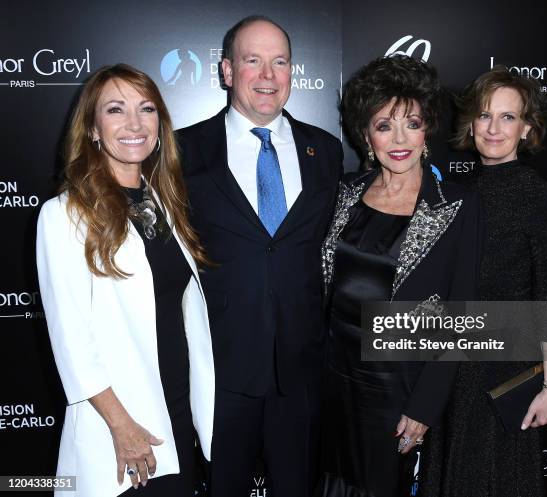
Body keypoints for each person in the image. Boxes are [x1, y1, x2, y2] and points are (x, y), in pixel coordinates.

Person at [177, 15, 343, 497]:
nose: (268, 76)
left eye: (280, 62)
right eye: (253, 61)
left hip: (303, 373)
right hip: (220, 371)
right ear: (227, 71)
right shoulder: (183, 150)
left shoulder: (326, 151)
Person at [36, 64, 214, 497]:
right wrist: (121, 425)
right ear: (94, 129)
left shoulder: (163, 204)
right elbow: (72, 339)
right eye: (116, 110)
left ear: (160, 125)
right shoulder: (65, 215)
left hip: (175, 411)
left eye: (146, 109)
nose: (134, 123)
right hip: (122, 426)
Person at [317, 55, 483, 497]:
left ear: (427, 129)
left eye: (411, 123)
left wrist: (424, 406)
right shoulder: (345, 193)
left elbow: (460, 315)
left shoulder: (455, 205)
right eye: (384, 125)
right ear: (366, 134)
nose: (399, 139)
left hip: (394, 386)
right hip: (332, 378)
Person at [421, 67, 547, 497]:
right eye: (485, 115)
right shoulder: (454, 192)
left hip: (504, 376)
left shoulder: (540, 198)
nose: (494, 128)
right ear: (470, 123)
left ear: (526, 129)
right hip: (450, 370)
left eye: (508, 117)